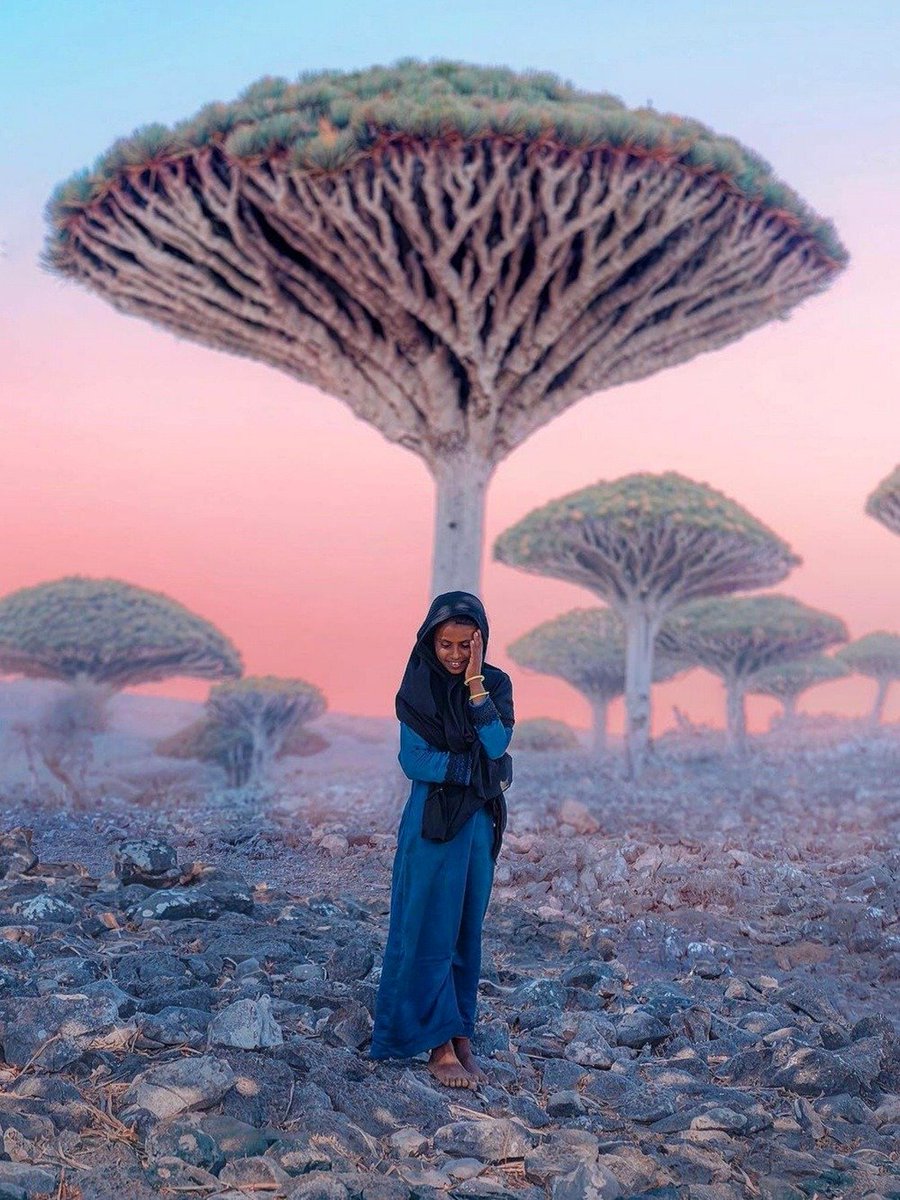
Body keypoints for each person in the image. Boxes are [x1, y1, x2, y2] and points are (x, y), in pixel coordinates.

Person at [369, 591, 514, 1087]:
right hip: (431, 826)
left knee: (464, 931)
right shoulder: (418, 688)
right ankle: (435, 1043)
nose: (453, 655)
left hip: (476, 826)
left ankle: (459, 1033)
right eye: (446, 645)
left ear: (480, 643)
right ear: (430, 641)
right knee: (428, 928)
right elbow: (415, 762)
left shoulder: (495, 684)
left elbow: (497, 743)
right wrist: (479, 771)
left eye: (464, 645)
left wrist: (475, 684)